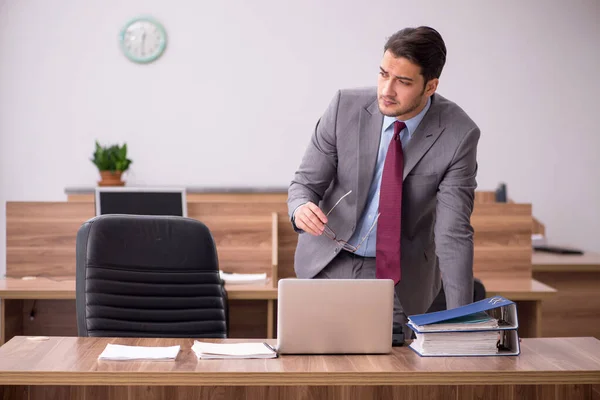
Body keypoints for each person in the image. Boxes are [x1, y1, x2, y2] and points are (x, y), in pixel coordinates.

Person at [287, 26, 480, 336]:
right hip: (326, 264)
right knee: (315, 368)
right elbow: (304, 185)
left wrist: (461, 324)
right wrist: (300, 208)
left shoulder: (458, 135)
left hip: (397, 278)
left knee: (386, 373)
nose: (386, 90)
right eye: (383, 74)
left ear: (430, 86)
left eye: (402, 82)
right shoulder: (344, 107)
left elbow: (453, 234)